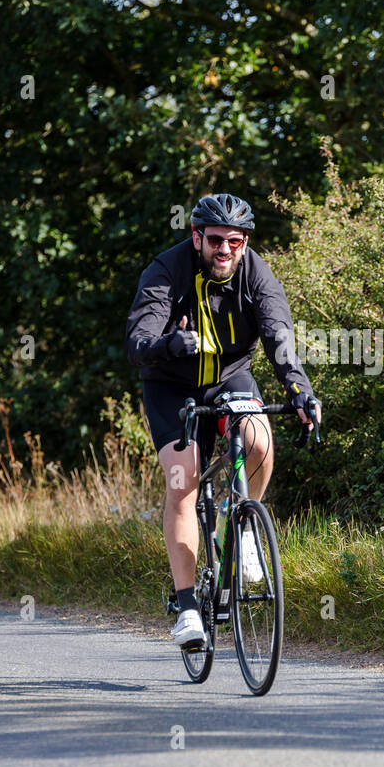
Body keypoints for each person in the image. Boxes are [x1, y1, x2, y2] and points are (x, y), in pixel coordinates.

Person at [124, 193, 321, 649]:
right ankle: (188, 606)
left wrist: (299, 391)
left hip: (230, 378)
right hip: (172, 385)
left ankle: (242, 527)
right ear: (197, 237)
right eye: (215, 240)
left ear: (245, 241)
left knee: (258, 441)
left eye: (235, 241)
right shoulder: (166, 270)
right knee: (184, 479)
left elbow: (279, 338)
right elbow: (137, 342)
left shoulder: (256, 273)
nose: (225, 250)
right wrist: (169, 345)